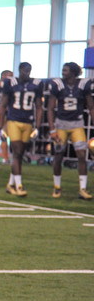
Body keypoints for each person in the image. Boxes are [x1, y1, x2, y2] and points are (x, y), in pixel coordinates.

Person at [45, 62, 93, 200]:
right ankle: (57, 187)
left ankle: (83, 189)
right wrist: (52, 129)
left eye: (65, 70)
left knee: (82, 156)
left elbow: (91, 107)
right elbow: (50, 108)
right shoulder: (58, 85)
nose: (63, 72)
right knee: (58, 155)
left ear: (73, 72)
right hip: (61, 125)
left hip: (77, 124)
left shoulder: (83, 85)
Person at [0, 62, 42, 197]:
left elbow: (39, 106)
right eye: (24, 71)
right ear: (19, 70)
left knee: (20, 154)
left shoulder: (36, 84)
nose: (26, 73)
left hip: (28, 122)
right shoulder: (10, 83)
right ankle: (19, 186)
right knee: (17, 152)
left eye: (28, 71)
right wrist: (1, 126)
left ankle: (10, 184)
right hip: (13, 121)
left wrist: (37, 127)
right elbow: (3, 104)